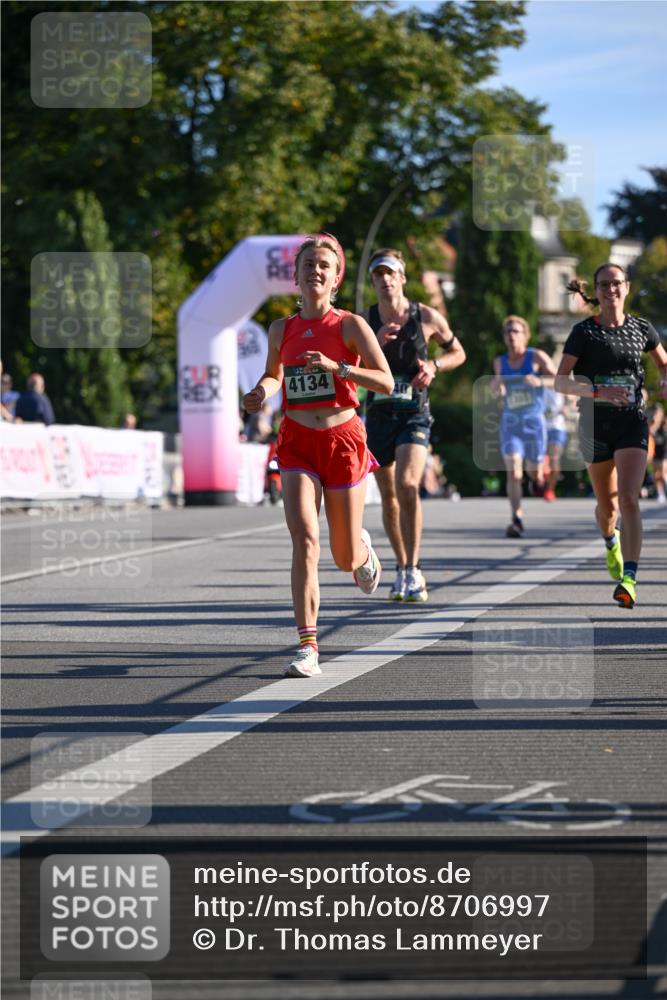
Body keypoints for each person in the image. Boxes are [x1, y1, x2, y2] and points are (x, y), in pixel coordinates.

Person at [243, 234, 393, 678]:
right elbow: (275, 375)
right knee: (305, 538)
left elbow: (386, 381)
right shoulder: (280, 329)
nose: (315, 270)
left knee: (343, 557)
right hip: (297, 442)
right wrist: (261, 392)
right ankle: (308, 646)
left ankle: (361, 553)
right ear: (296, 275)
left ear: (336, 278)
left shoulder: (350, 326)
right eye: (308, 264)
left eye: (324, 265)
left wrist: (338, 367)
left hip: (342, 441)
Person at [555, 263, 667, 609]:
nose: (610, 289)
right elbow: (560, 381)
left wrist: (664, 379)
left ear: (627, 287)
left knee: (630, 497)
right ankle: (610, 541)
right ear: (596, 291)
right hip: (594, 425)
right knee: (608, 507)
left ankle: (629, 579)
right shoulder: (584, 332)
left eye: (616, 283)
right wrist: (596, 392)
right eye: (603, 284)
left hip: (632, 422)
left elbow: (663, 363)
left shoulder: (642, 329)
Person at [364, 248, 466, 602]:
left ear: (402, 278)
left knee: (407, 484)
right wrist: (374, 344)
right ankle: (401, 566)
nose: (385, 279)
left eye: (390, 273)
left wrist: (434, 366)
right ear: (373, 281)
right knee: (389, 497)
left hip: (414, 413)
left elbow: (459, 352)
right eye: (378, 274)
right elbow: (346, 363)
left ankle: (414, 568)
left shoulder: (425, 316)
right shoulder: (364, 321)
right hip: (378, 415)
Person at [492, 316, 557, 538]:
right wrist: (497, 387)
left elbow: (561, 380)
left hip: (534, 423)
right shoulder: (500, 362)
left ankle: (540, 475)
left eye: (516, 331)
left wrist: (540, 381)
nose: (511, 336)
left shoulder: (536, 357)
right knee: (513, 472)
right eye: (508, 332)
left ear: (525, 336)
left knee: (532, 471)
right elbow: (497, 387)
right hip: (511, 424)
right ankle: (516, 519)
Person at [542, 386, 569, 501]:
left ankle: (550, 490)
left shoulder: (561, 383)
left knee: (555, 457)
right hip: (540, 427)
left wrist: (567, 407)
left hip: (557, 427)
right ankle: (544, 467)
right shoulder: (537, 381)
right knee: (539, 459)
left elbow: (572, 399)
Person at [648, 403, 666, 504]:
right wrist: (655, 423)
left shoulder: (664, 423)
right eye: (655, 413)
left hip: (664, 452)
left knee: (663, 473)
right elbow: (650, 433)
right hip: (655, 452)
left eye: (658, 413)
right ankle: (660, 493)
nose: (656, 414)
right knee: (656, 474)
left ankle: (664, 490)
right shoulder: (652, 425)